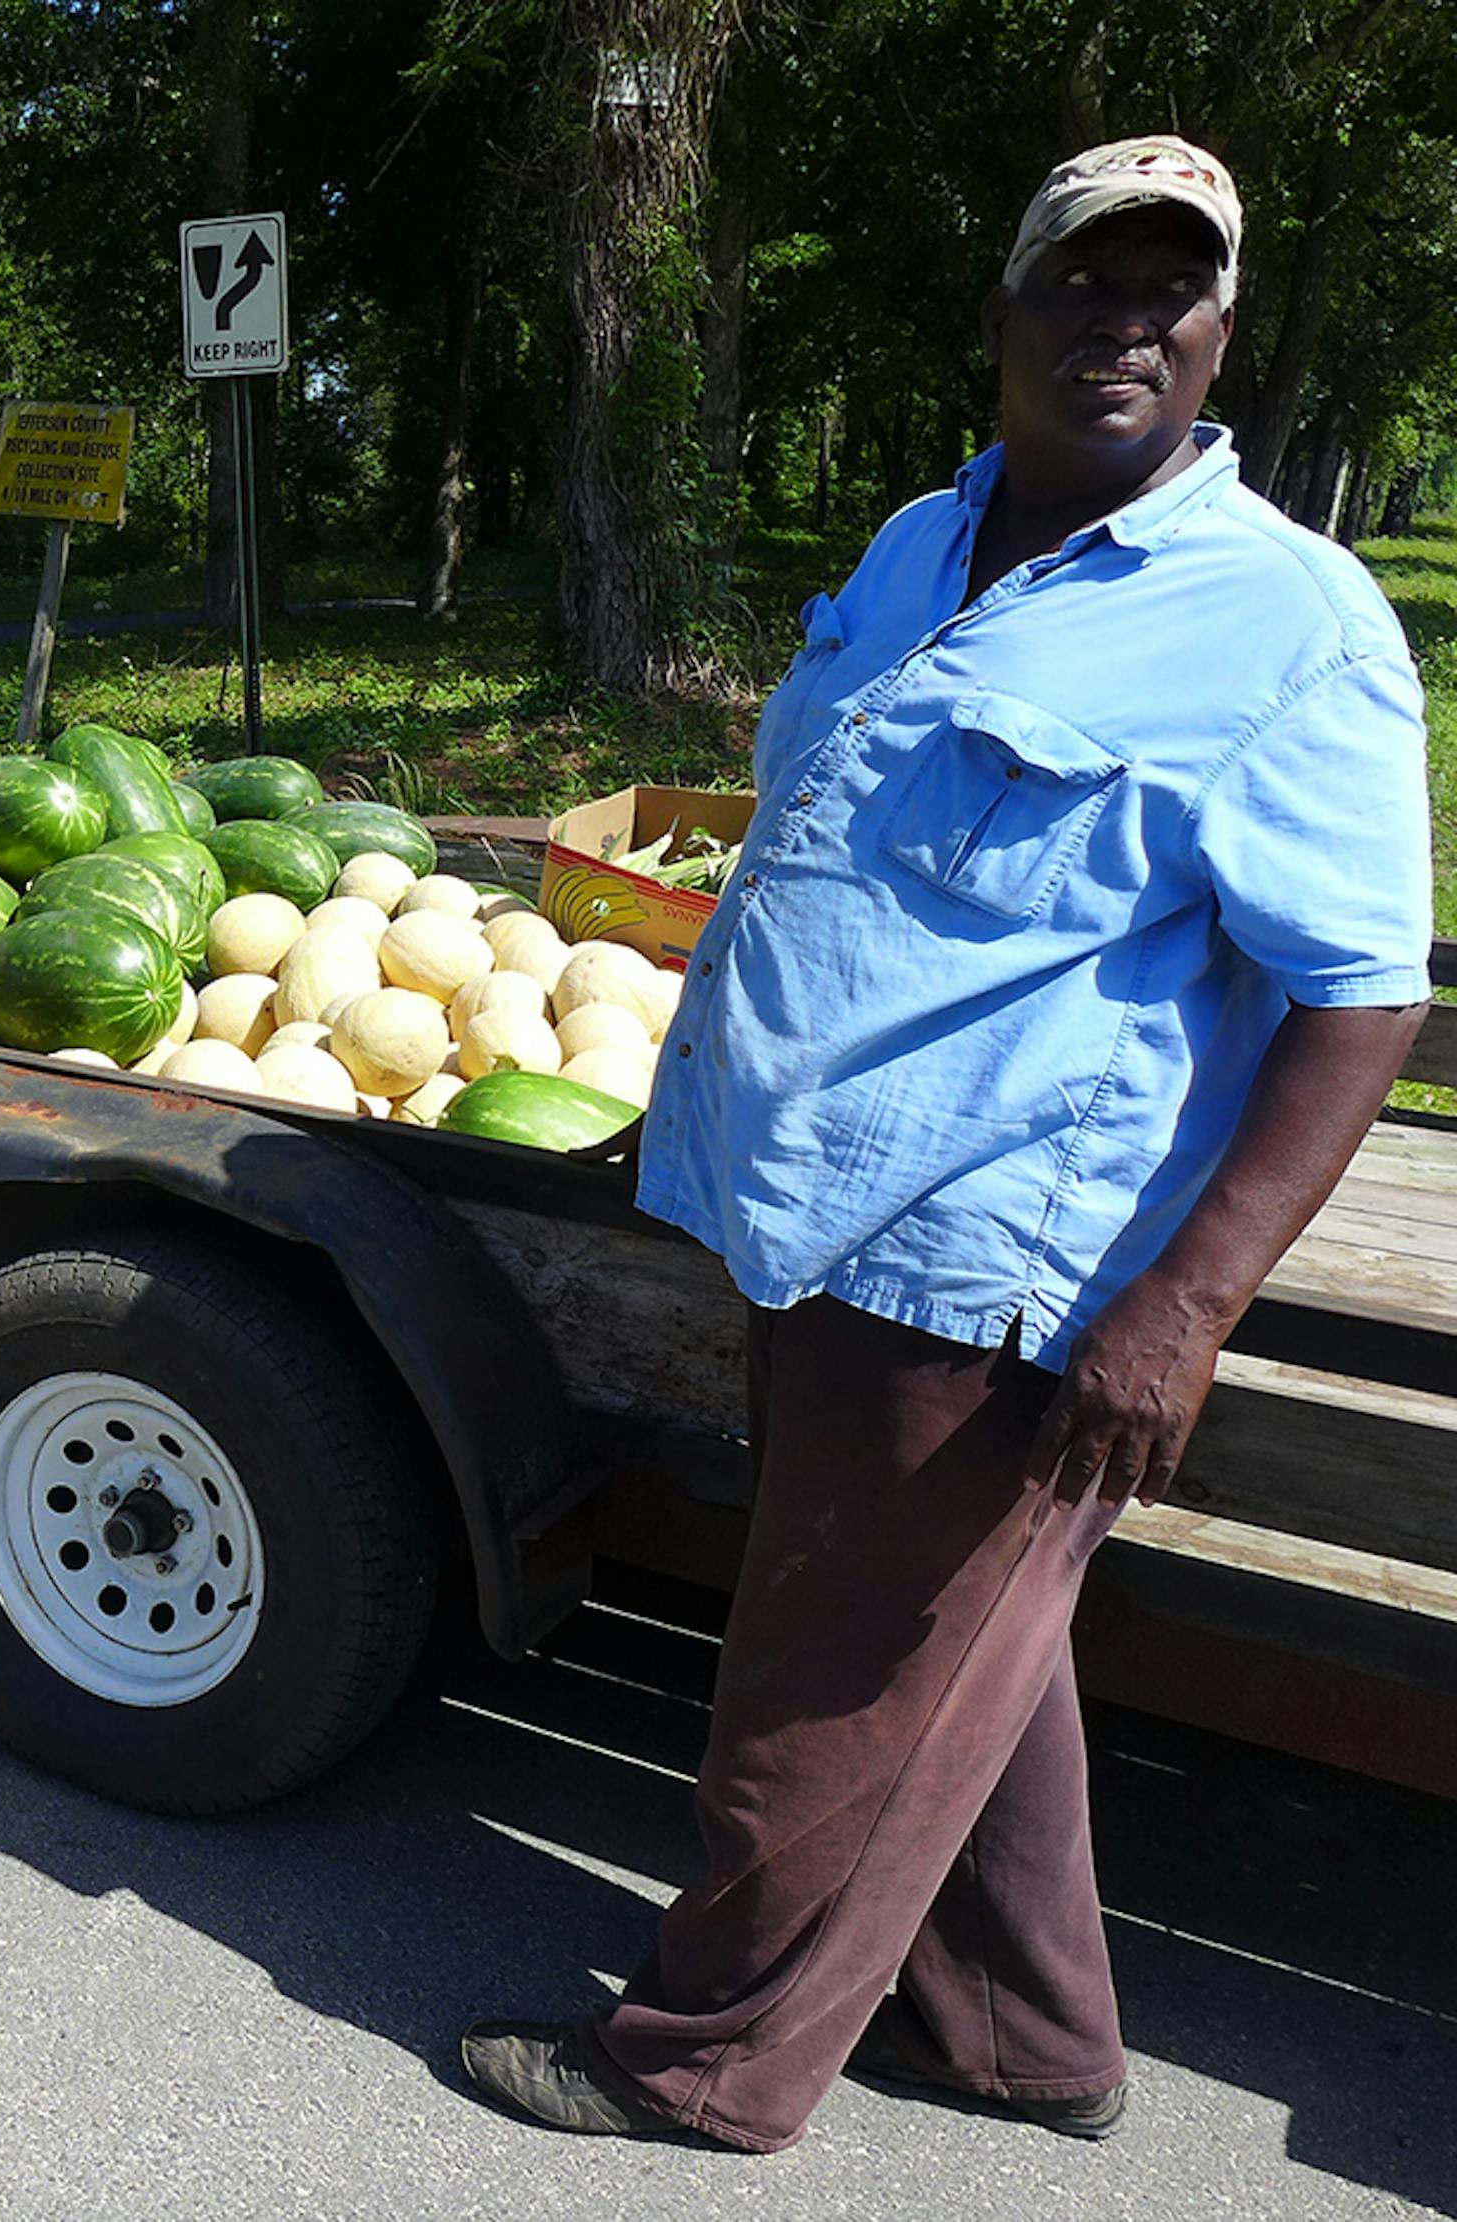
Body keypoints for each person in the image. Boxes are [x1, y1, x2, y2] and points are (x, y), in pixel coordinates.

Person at [461, 135, 1433, 2154]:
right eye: (1086, 282)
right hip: (810, 1202)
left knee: (826, 1681)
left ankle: (705, 2062)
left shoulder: (1288, 623)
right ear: (1007, 315)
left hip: (991, 1250)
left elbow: (1360, 995)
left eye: (1171, 293)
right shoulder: (924, 542)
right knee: (958, 1640)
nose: (1124, 323)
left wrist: (1185, 1304)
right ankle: (1024, 2035)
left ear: (1221, 334)